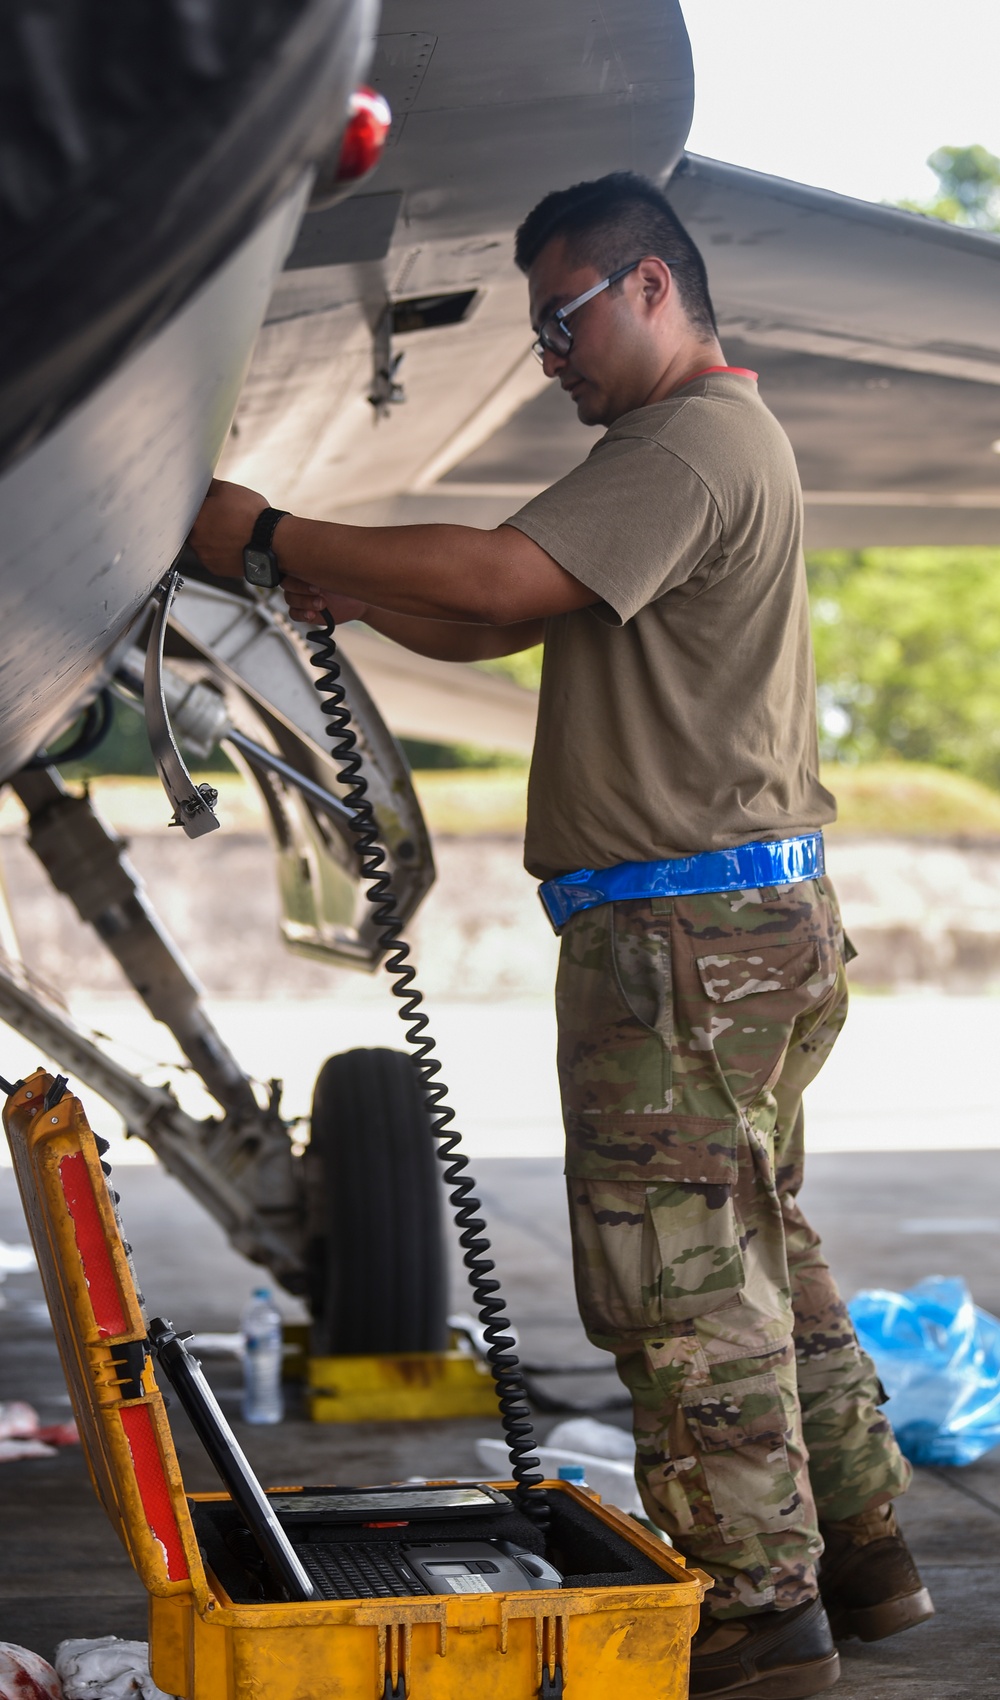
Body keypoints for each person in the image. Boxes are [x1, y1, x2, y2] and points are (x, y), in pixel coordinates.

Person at [189, 171, 933, 1697]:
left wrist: (261, 532)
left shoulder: (693, 441)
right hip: (736, 926)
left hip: (681, 942)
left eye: (563, 318)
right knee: (757, 1253)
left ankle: (754, 1605)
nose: (552, 355)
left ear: (654, 286)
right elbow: (492, 618)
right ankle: (861, 1552)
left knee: (675, 1281)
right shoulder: (691, 450)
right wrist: (333, 583)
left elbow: (497, 577)